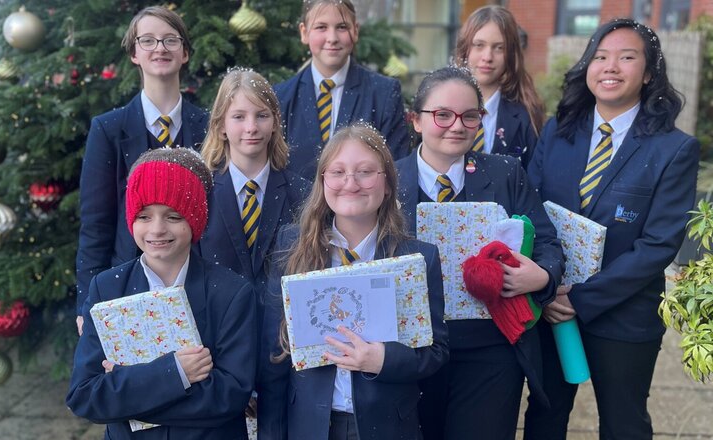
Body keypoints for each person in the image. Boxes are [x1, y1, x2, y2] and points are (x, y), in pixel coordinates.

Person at [523, 18, 700, 440]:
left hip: (624, 315)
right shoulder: (559, 133)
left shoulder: (674, 149)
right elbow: (529, 210)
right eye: (600, 57)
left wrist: (579, 300)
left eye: (626, 57)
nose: (610, 66)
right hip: (551, 306)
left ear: (650, 72)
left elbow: (657, 246)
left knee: (624, 423)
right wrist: (546, 289)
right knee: (544, 416)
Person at [395, 66, 564, 440]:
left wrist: (542, 276)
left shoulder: (506, 173)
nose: (457, 125)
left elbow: (549, 241)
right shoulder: (387, 180)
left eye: (470, 115)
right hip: (413, 349)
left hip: (491, 348)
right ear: (416, 120)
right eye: (442, 114)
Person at [257, 124, 448, 439]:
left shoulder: (417, 258)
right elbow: (273, 355)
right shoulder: (292, 248)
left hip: (387, 426)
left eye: (365, 172)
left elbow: (436, 351)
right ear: (323, 182)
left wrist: (384, 359)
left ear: (386, 184)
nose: (351, 183)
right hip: (310, 426)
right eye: (338, 172)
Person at [67, 148, 256, 439]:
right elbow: (85, 395)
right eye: (144, 216)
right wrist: (176, 373)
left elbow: (229, 397)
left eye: (173, 216)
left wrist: (125, 392)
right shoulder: (107, 288)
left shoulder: (231, 293)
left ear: (194, 219)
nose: (157, 229)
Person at [75, 6, 208, 335]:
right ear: (134, 53)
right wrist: (86, 304)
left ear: (185, 53)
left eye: (170, 40)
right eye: (147, 40)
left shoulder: (208, 127)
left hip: (200, 283)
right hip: (130, 285)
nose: (160, 48)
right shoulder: (108, 130)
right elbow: (96, 223)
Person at [198, 68, 309, 318]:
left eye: (261, 115)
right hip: (218, 332)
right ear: (221, 126)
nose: (251, 127)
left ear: (275, 123)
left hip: (281, 336)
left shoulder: (302, 193)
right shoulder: (202, 192)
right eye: (238, 116)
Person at [274, 0, 410, 181]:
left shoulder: (383, 94)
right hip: (297, 208)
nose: (332, 38)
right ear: (304, 32)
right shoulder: (282, 97)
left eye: (342, 27)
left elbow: (396, 166)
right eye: (321, 27)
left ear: (355, 31)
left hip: (363, 206)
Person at [455, 5, 545, 167]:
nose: (487, 57)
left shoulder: (527, 116)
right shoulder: (440, 107)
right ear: (465, 48)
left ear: (511, 54)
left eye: (499, 48)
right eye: (479, 45)